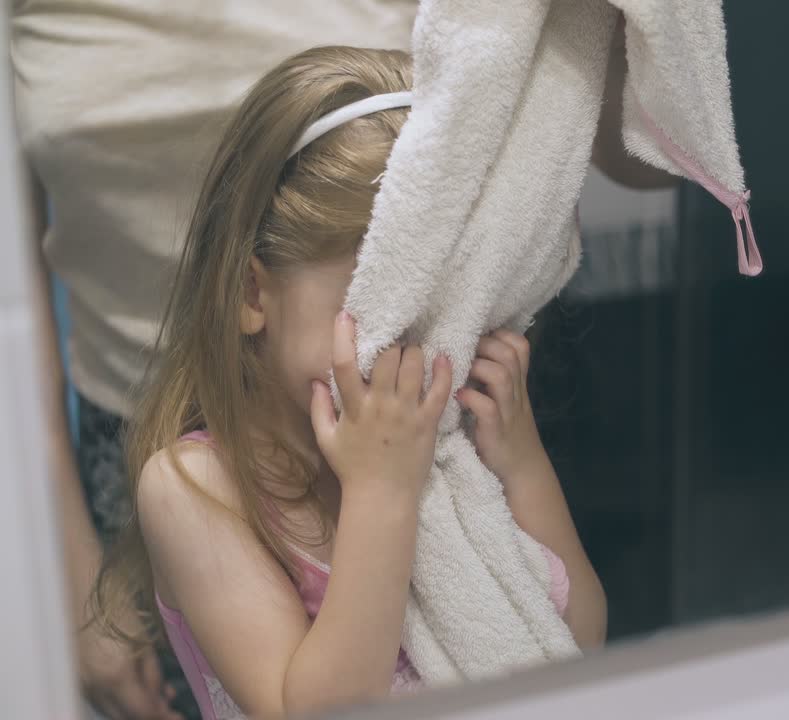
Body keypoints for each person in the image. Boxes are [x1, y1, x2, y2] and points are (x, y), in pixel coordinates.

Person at [11, 4, 664, 717]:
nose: (415, 349)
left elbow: (576, 643)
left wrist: (523, 465)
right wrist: (382, 495)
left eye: (443, 307)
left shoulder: (447, 457)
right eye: (375, 300)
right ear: (252, 292)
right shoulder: (196, 490)